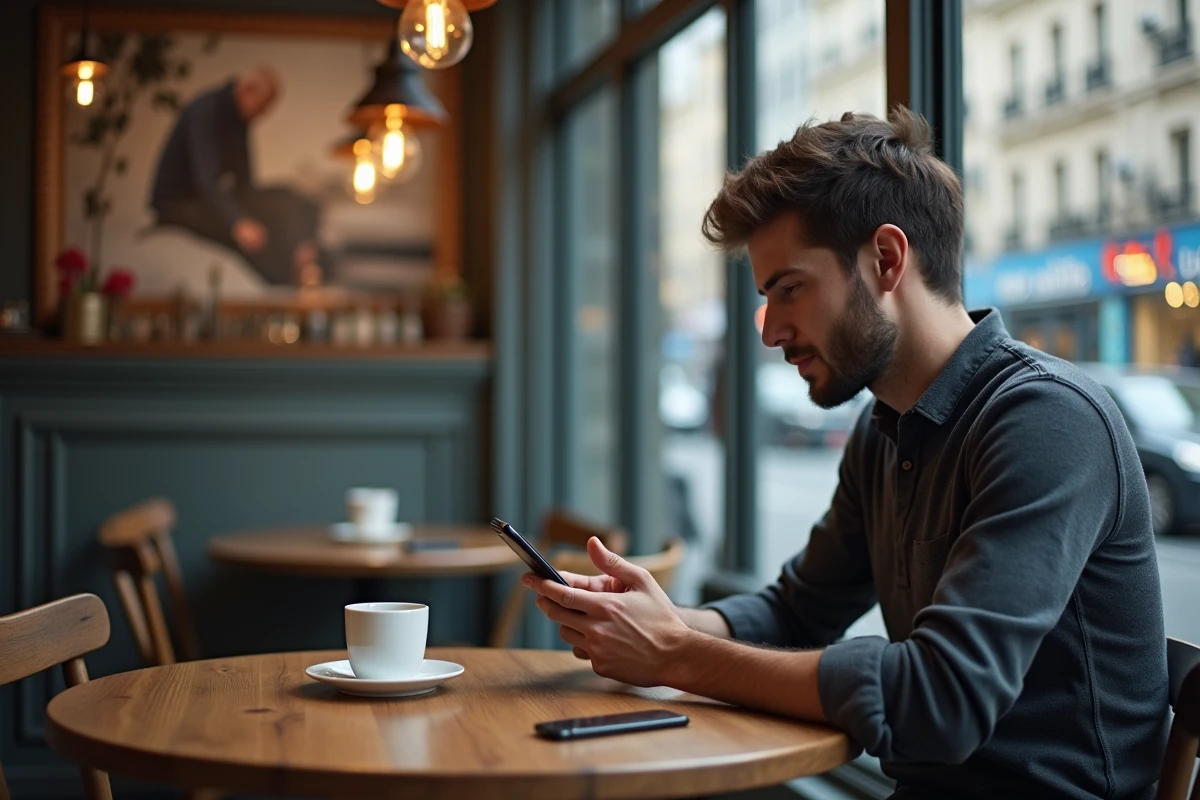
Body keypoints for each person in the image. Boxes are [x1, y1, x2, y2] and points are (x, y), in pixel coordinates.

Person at [522, 108, 1168, 799]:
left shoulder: (1046, 420)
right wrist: (658, 620)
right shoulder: (884, 428)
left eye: (789, 290)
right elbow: (799, 613)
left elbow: (940, 701)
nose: (770, 333)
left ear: (886, 259)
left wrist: (676, 655)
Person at [149, 67, 323, 286]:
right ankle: (284, 287)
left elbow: (245, 186)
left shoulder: (239, 121)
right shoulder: (204, 111)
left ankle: (304, 257)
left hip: (210, 198)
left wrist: (294, 229)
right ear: (247, 91)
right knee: (252, 237)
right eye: (263, 107)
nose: (264, 114)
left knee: (287, 198)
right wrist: (238, 222)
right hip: (178, 204)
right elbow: (206, 181)